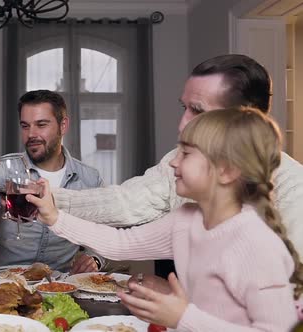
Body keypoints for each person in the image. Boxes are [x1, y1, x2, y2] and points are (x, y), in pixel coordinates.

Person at [31, 108, 301, 331]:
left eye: (186, 153)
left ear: (226, 171)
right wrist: (55, 217)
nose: (172, 163)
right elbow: (120, 242)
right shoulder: (186, 220)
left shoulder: (257, 244)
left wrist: (182, 316)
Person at [50, 54, 303, 283]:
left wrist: (181, 312)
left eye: (197, 110)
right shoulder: (185, 214)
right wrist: (48, 203)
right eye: (185, 107)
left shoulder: (294, 189)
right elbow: (123, 220)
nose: (182, 124)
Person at [0, 89, 105, 273]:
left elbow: (106, 231)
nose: (31, 134)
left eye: (41, 125)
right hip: (2, 280)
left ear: (63, 125)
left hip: (58, 283)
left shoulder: (90, 179)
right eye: (25, 126)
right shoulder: (3, 168)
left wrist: (95, 258)